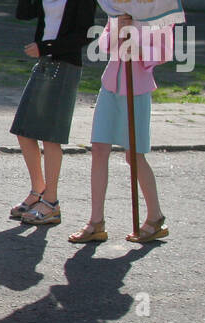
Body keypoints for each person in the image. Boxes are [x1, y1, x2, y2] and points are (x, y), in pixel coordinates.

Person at [8, 0, 96, 226]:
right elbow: (23, 12)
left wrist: (46, 47)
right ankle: (38, 189)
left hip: (65, 65)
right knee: (23, 128)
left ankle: (52, 202)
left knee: (51, 135)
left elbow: (84, 34)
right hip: (45, 65)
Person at [69, 14, 171, 244]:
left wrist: (135, 44)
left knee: (134, 156)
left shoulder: (159, 11)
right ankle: (96, 222)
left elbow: (164, 52)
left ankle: (155, 217)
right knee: (98, 149)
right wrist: (117, 29)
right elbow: (104, 44)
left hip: (137, 88)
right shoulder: (119, 7)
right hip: (111, 84)